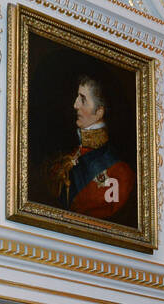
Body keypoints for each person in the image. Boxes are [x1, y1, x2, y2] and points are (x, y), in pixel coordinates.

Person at [45, 74, 134, 220]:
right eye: (77, 98)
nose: (75, 105)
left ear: (99, 112)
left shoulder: (120, 172)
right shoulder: (67, 157)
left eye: (83, 99)